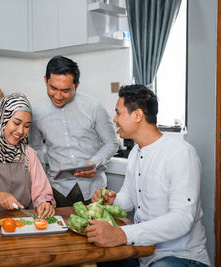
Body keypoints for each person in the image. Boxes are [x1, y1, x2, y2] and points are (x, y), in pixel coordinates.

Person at [86, 85, 210, 267]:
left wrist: (121, 234)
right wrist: (112, 200)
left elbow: (182, 219)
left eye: (118, 113)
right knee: (99, 261)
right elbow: (129, 198)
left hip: (180, 255)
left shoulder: (181, 153)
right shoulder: (136, 151)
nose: (114, 119)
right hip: (143, 251)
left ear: (137, 116)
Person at [29, 55, 119, 207]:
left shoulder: (94, 107)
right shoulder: (37, 113)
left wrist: (94, 163)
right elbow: (35, 149)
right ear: (46, 80)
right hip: (57, 191)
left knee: (97, 230)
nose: (57, 96)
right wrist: (43, 187)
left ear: (76, 86)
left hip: (94, 190)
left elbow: (112, 142)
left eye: (65, 90)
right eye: (53, 88)